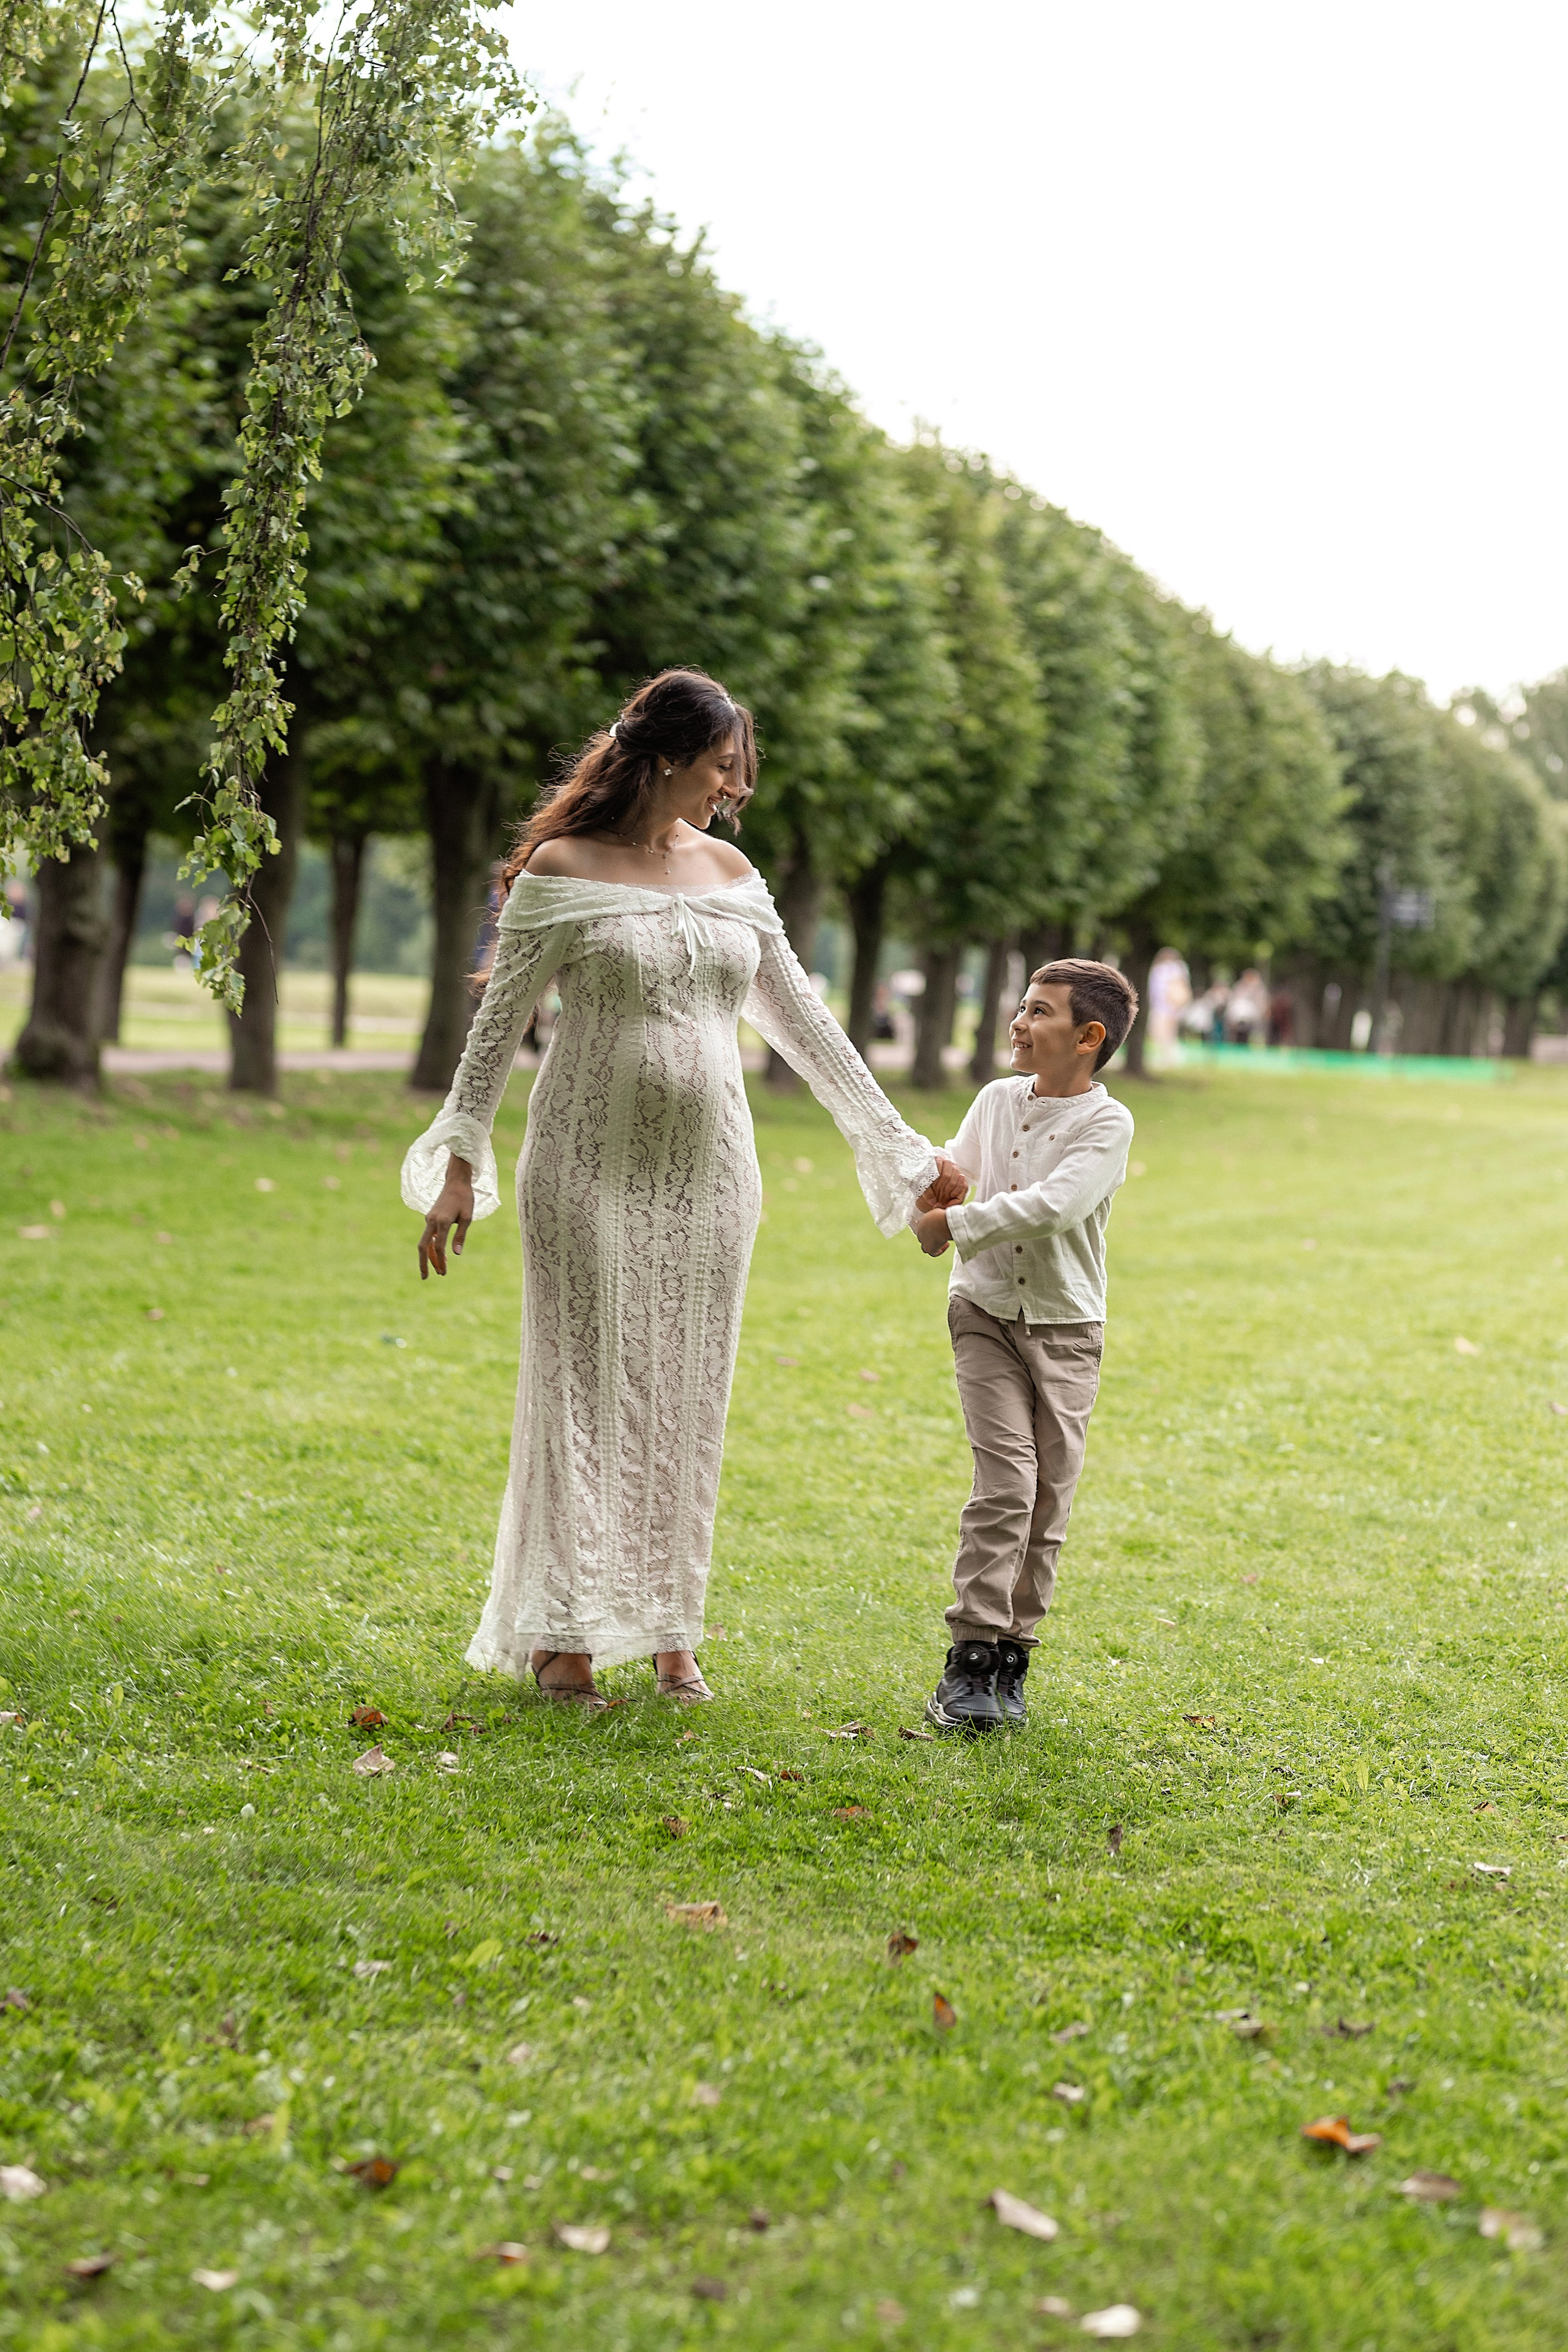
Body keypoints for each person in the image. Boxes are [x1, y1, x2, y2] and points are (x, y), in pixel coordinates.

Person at [402, 668, 965, 1708]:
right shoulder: (562, 868)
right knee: (583, 1394)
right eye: (720, 767)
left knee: (686, 1398)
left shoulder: (732, 873)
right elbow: (495, 1031)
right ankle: (567, 1638)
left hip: (712, 1179)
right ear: (666, 758)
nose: (731, 789)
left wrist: (904, 1151)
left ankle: (670, 1629)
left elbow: (808, 1027)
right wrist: (459, 1164)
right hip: (583, 1169)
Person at [909, 959, 1137, 1733]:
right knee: (1007, 1483)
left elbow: (1054, 1207)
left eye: (1040, 1012)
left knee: (1047, 1500)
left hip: (1067, 1330)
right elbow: (955, 1171)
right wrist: (930, 1190)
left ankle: (1011, 1657)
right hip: (983, 1314)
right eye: (1021, 1007)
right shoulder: (995, 1100)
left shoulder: (1107, 1124)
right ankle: (969, 1657)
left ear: (1088, 1036)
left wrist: (953, 1224)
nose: (1018, 1022)